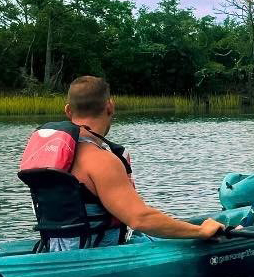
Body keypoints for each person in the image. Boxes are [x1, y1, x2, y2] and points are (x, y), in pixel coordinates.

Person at [18, 75, 225, 252]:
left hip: (56, 249)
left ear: (68, 111)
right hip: (98, 255)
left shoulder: (47, 154)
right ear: (110, 106)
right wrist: (200, 231)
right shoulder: (101, 160)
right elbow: (140, 219)